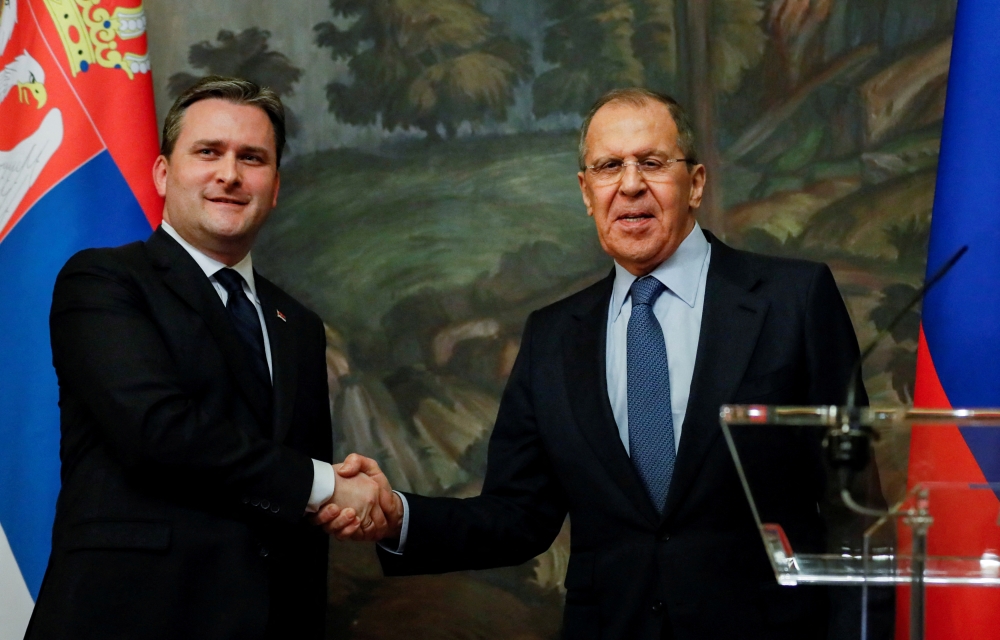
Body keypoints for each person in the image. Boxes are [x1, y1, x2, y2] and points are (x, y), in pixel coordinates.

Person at [319, 88, 886, 639]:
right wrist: (398, 515)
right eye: (609, 166)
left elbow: (855, 510)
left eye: (653, 162)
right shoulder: (551, 337)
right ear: (586, 191)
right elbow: (518, 516)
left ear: (695, 183)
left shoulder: (793, 301)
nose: (631, 185)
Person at [25, 76, 385, 640]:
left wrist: (328, 504)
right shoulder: (104, 281)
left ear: (275, 186)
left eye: (252, 158)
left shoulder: (300, 326)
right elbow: (158, 432)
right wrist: (328, 485)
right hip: (130, 617)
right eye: (209, 152)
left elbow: (285, 486)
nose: (230, 174)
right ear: (164, 173)